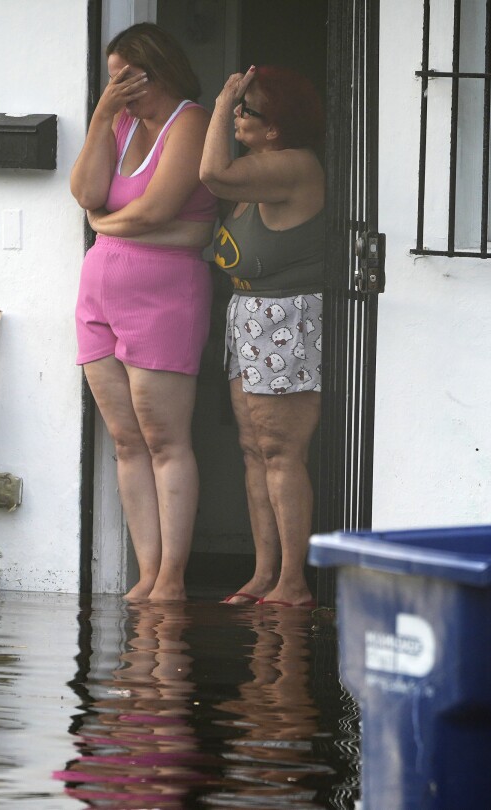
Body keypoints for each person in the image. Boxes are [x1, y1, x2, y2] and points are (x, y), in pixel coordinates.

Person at [69, 23, 217, 602]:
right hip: (100, 298)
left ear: (151, 70)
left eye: (122, 78)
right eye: (111, 81)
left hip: (164, 300)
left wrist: (104, 225)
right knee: (125, 440)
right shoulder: (121, 121)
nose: (117, 87)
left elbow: (155, 210)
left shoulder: (192, 121)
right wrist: (102, 116)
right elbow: (85, 191)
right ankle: (148, 572)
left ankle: (173, 577)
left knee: (164, 439)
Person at [199, 66, 325, 608]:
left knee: (280, 450)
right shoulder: (257, 171)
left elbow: (210, 174)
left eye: (246, 109)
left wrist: (218, 101)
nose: (236, 114)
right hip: (247, 316)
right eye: (237, 105)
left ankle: (293, 582)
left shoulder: (292, 166)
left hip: (285, 317)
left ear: (276, 127)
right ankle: (263, 574)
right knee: (254, 451)